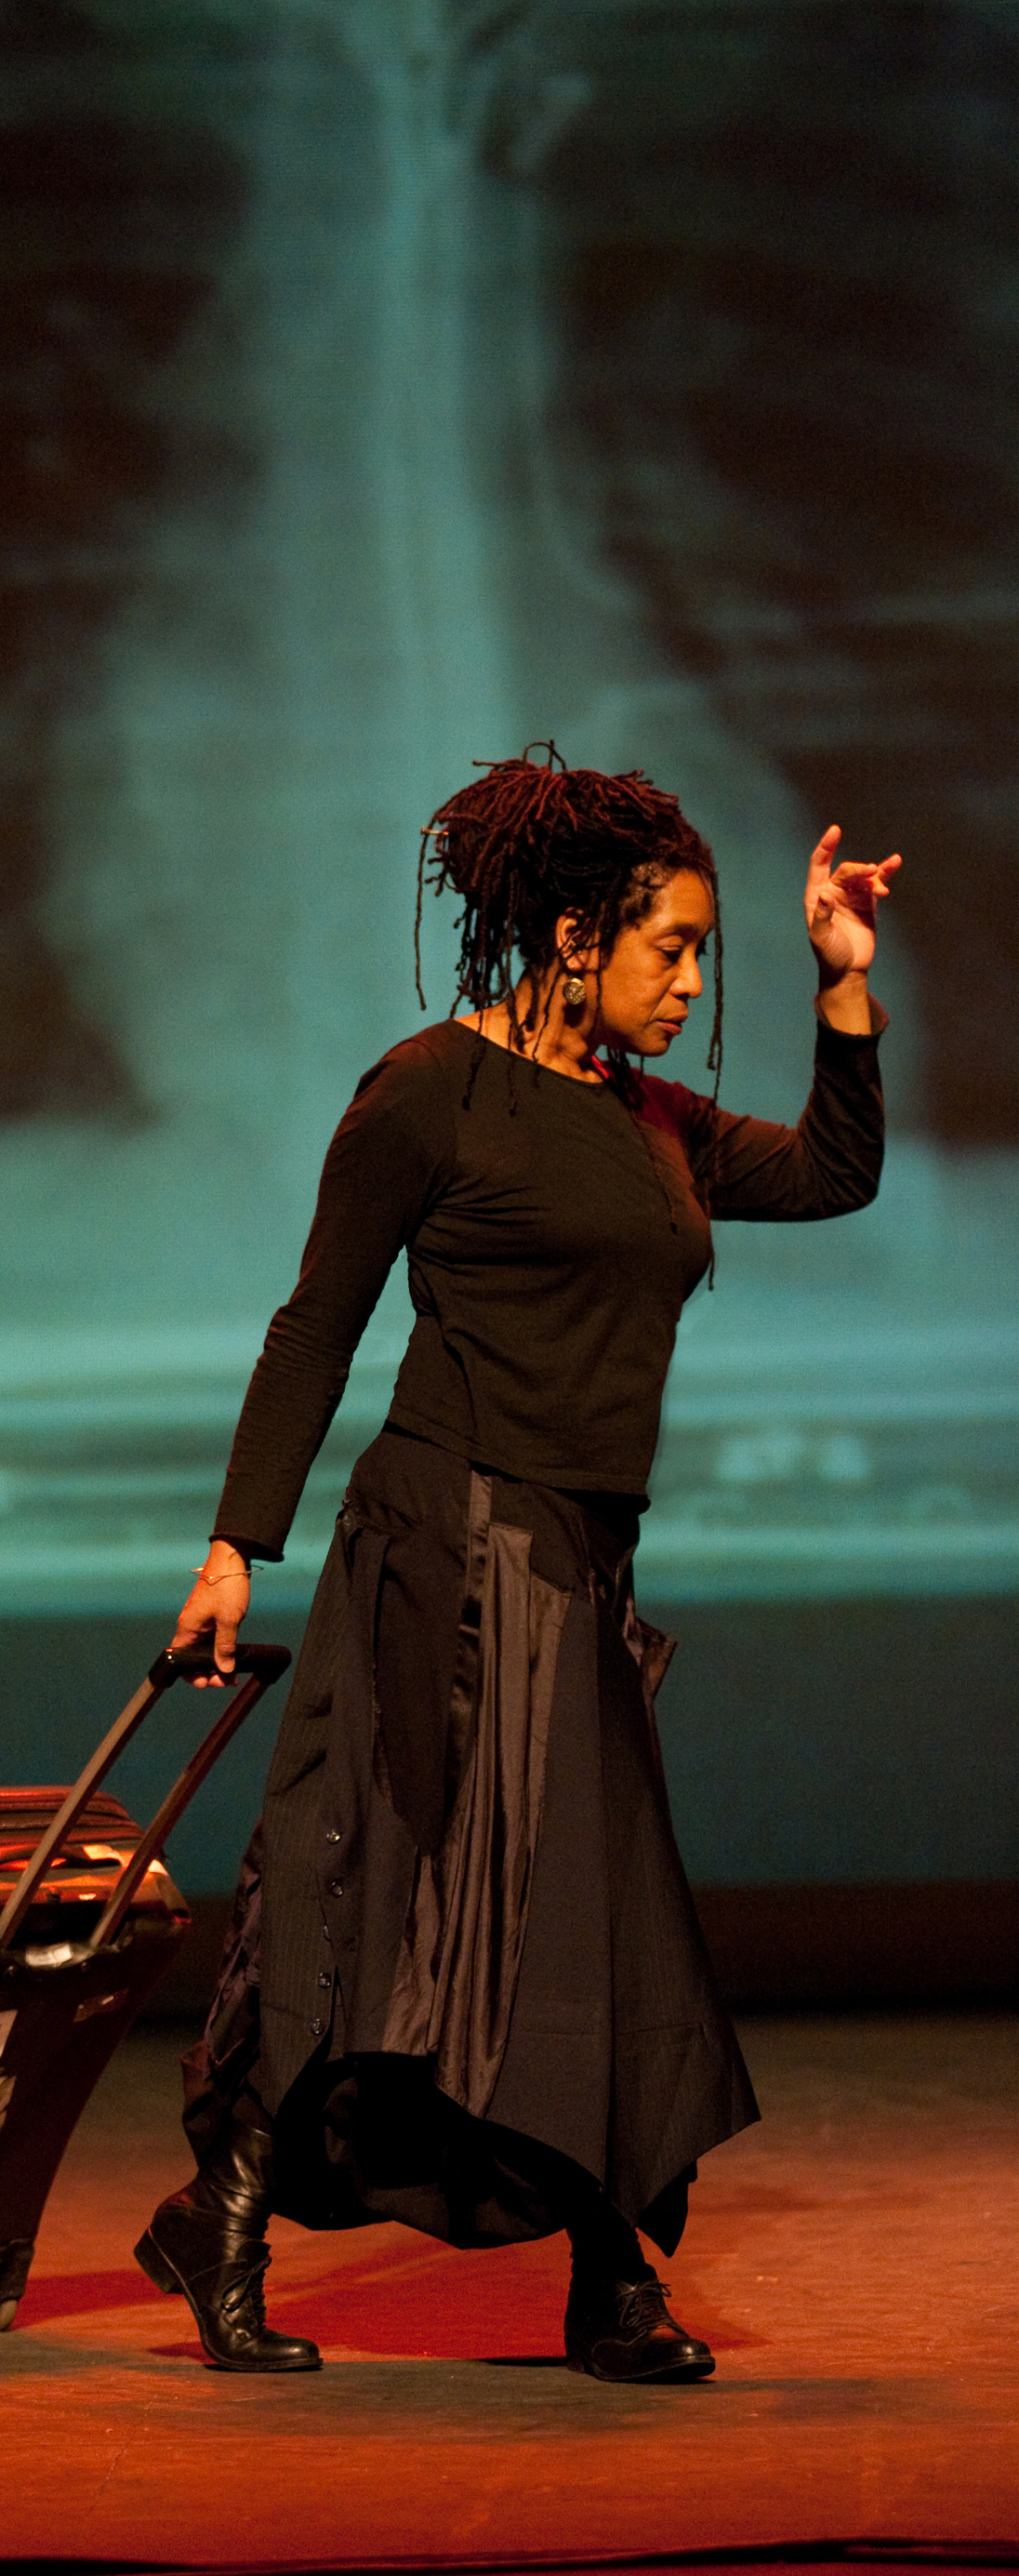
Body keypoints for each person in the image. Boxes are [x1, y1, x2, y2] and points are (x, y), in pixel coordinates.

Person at [134, 749, 898, 2383]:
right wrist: (230, 1546)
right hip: (446, 1550)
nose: (696, 982)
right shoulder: (429, 1092)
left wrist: (845, 990)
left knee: (588, 1922)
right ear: (570, 938)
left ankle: (592, 2275)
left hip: (575, 1556)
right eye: (670, 948)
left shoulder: (656, 1124)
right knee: (375, 1900)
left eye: (706, 953)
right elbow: (317, 1323)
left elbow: (838, 1173)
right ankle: (255, 2214)